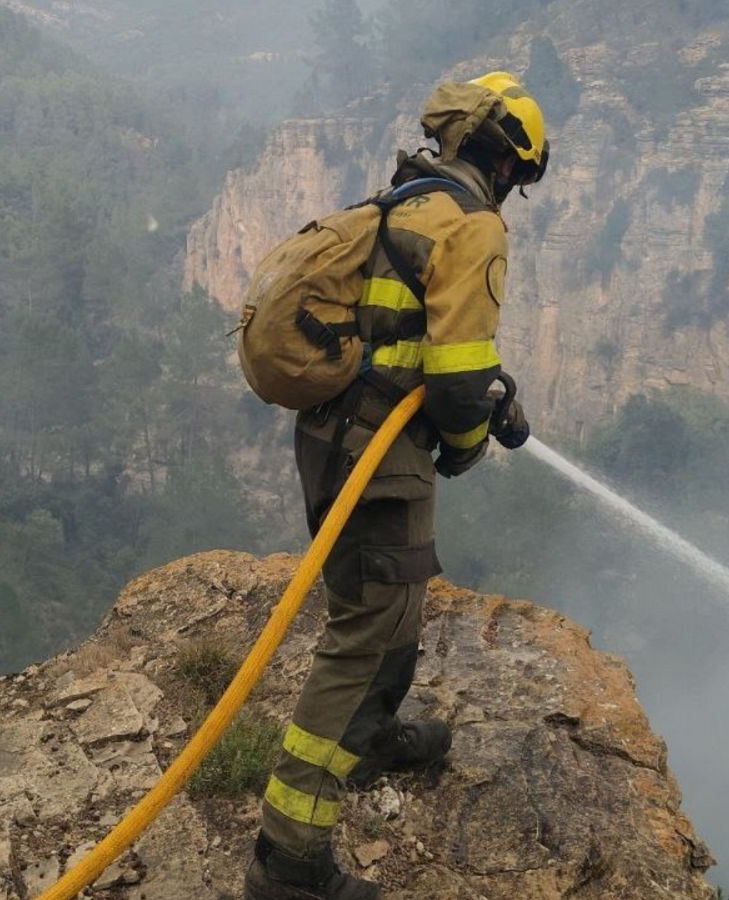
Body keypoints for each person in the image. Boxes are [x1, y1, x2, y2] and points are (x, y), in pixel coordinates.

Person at [244, 70, 549, 900]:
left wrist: (483, 395)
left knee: (396, 609)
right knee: (364, 633)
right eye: (520, 176)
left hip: (339, 442)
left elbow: (410, 333)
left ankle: (370, 736)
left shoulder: (403, 203)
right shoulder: (474, 225)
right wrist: (469, 443)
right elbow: (453, 382)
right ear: (509, 165)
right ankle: (289, 860)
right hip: (381, 460)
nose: (515, 191)